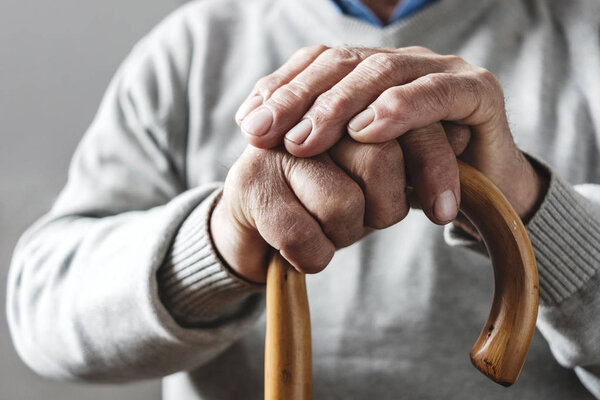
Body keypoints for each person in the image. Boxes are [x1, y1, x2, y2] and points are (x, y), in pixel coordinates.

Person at [7, 0, 600, 398]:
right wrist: (219, 241)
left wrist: (532, 207)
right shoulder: (192, 48)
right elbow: (42, 311)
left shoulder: (586, 39)